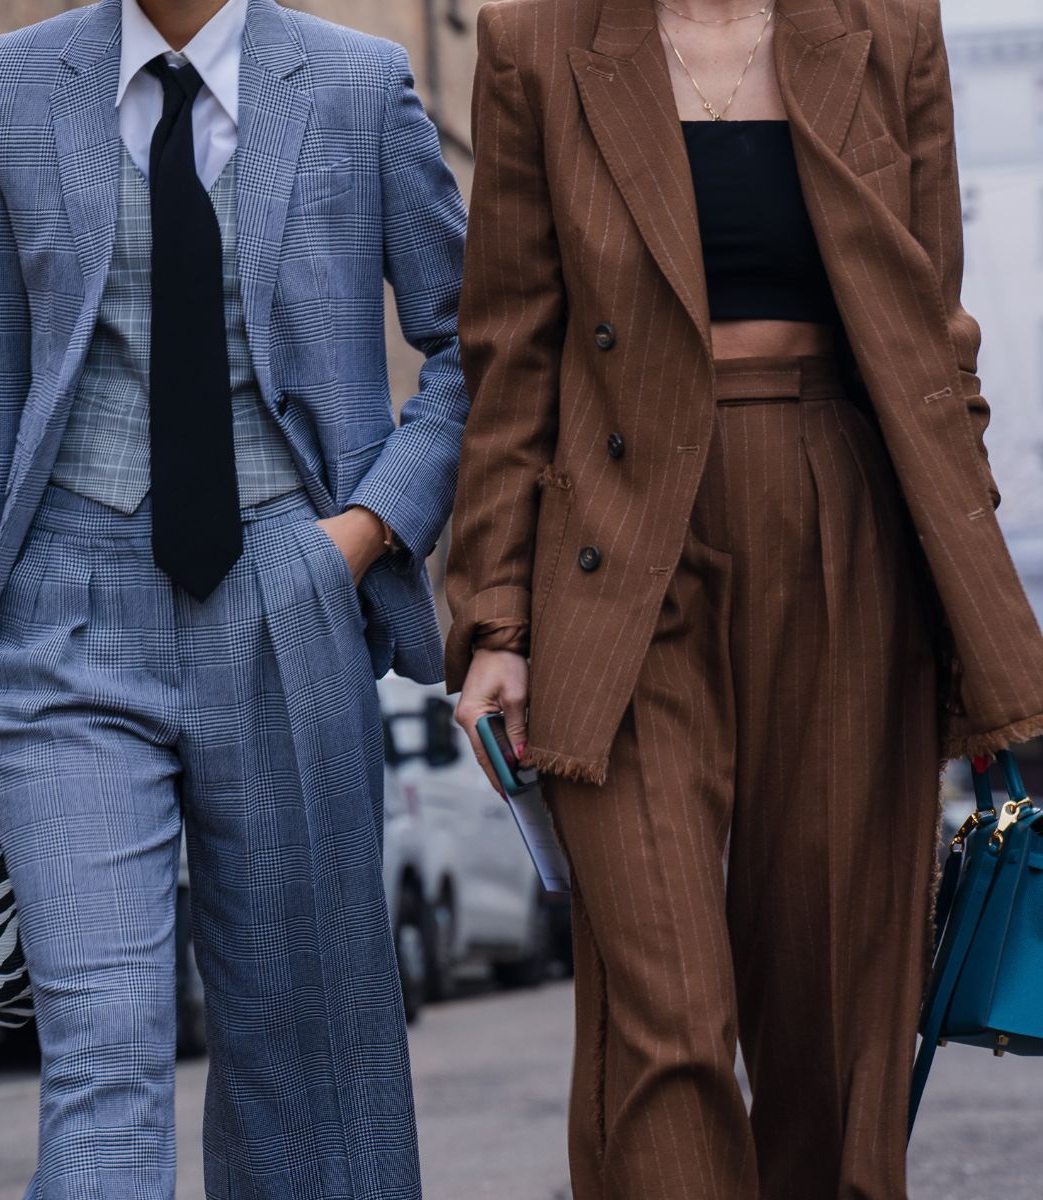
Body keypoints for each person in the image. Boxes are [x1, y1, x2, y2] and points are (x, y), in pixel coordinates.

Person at [446, 0, 1043, 1196]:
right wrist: (495, 622)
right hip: (616, 554)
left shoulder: (887, 27)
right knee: (661, 1015)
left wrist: (972, 609)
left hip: (847, 523)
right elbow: (509, 349)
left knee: (832, 1027)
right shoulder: (536, 40)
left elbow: (934, 338)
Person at [0, 0, 466, 1195]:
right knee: (100, 1062)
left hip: (288, 588)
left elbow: (480, 343)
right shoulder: (11, 85)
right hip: (63, 609)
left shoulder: (358, 86)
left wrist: (363, 535)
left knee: (303, 1069)